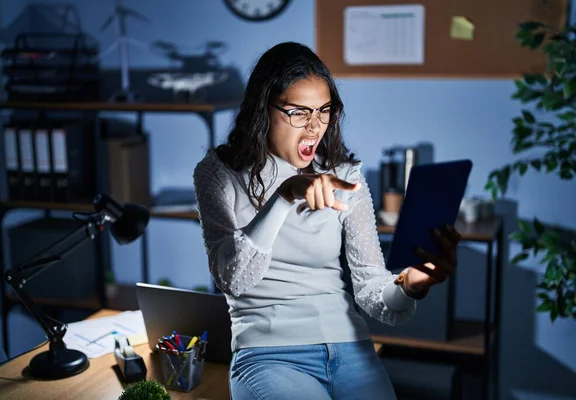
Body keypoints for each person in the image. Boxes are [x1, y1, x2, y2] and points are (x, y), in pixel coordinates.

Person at [193, 42, 460, 400]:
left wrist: (410, 282)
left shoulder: (344, 174)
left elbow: (370, 291)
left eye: (324, 110)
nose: (315, 126)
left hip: (351, 347)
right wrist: (286, 194)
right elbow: (233, 278)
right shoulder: (219, 173)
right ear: (262, 109)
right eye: (299, 112)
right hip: (268, 355)